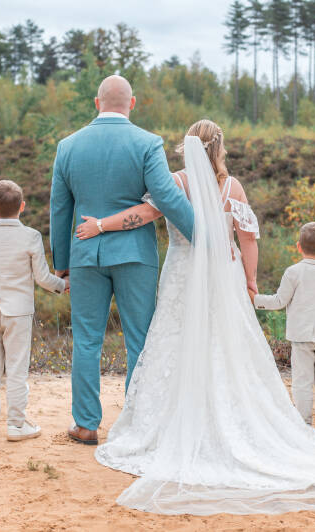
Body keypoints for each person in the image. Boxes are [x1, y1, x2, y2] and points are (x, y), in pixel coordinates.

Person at [75, 119, 315, 515]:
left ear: (186, 147)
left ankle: (178, 420)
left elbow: (142, 214)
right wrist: (249, 280)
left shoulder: (174, 183)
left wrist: (100, 225)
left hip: (180, 276)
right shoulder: (232, 188)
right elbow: (247, 239)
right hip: (223, 276)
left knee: (177, 343)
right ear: (220, 147)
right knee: (228, 346)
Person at [49, 75, 194, 446]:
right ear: (132, 104)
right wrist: (204, 237)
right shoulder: (148, 144)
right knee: (139, 341)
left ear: (96, 103)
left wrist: (61, 263)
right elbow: (167, 198)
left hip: (84, 256)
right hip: (134, 255)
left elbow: (60, 210)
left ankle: (85, 425)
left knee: (86, 341)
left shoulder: (67, 147)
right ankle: (136, 425)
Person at [0, 180, 66, 441]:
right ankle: (16, 425)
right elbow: (43, 278)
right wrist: (63, 285)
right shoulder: (31, 236)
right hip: (18, 312)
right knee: (17, 369)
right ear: (22, 206)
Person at [254, 222, 315, 429]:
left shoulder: (293, 272)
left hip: (301, 336)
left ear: (299, 246)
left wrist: (255, 299)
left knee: (302, 381)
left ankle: (304, 424)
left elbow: (279, 301)